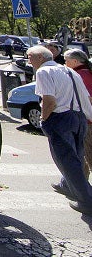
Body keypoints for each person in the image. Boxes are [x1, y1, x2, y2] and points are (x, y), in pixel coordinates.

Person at [28, 45, 92, 214]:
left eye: (30, 57)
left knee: (67, 161)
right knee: (76, 158)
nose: (29, 61)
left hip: (60, 118)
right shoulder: (70, 72)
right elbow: (85, 98)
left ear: (41, 57)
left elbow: (49, 101)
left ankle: (87, 202)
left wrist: (44, 119)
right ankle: (67, 186)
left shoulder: (43, 72)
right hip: (79, 118)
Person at [63, 49, 92, 180]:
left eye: (66, 61)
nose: (64, 64)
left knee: (87, 154)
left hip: (87, 120)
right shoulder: (85, 72)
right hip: (85, 120)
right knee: (82, 155)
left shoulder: (80, 75)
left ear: (75, 61)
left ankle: (81, 188)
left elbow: (88, 98)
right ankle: (79, 186)